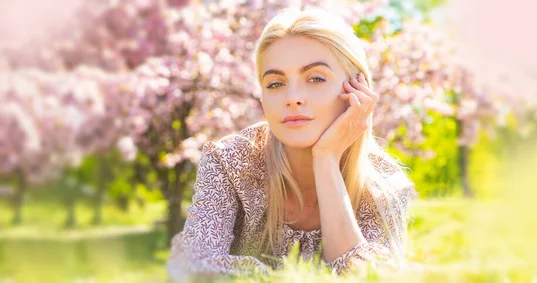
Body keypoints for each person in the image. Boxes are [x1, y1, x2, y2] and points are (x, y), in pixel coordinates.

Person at [167, 7, 418, 281]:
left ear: (358, 91)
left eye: (316, 78)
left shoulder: (384, 184)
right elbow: (192, 267)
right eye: (275, 84)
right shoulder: (230, 163)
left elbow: (367, 278)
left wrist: (326, 160)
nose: (293, 97)